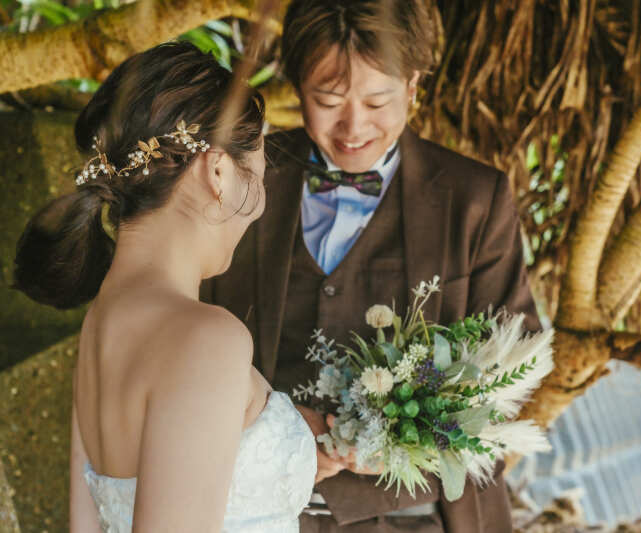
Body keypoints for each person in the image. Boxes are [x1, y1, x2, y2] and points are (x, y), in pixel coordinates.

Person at [201, 1, 542, 531]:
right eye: (328, 100)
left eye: (378, 101)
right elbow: (192, 335)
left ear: (412, 86)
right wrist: (264, 422)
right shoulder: (240, 180)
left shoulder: (475, 200)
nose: (354, 126)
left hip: (421, 518)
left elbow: (516, 366)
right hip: (257, 511)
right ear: (298, 87)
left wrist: (406, 443)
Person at [13, 42, 324, 532]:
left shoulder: (102, 325)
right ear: (218, 171)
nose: (259, 206)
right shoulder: (207, 338)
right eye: (258, 176)